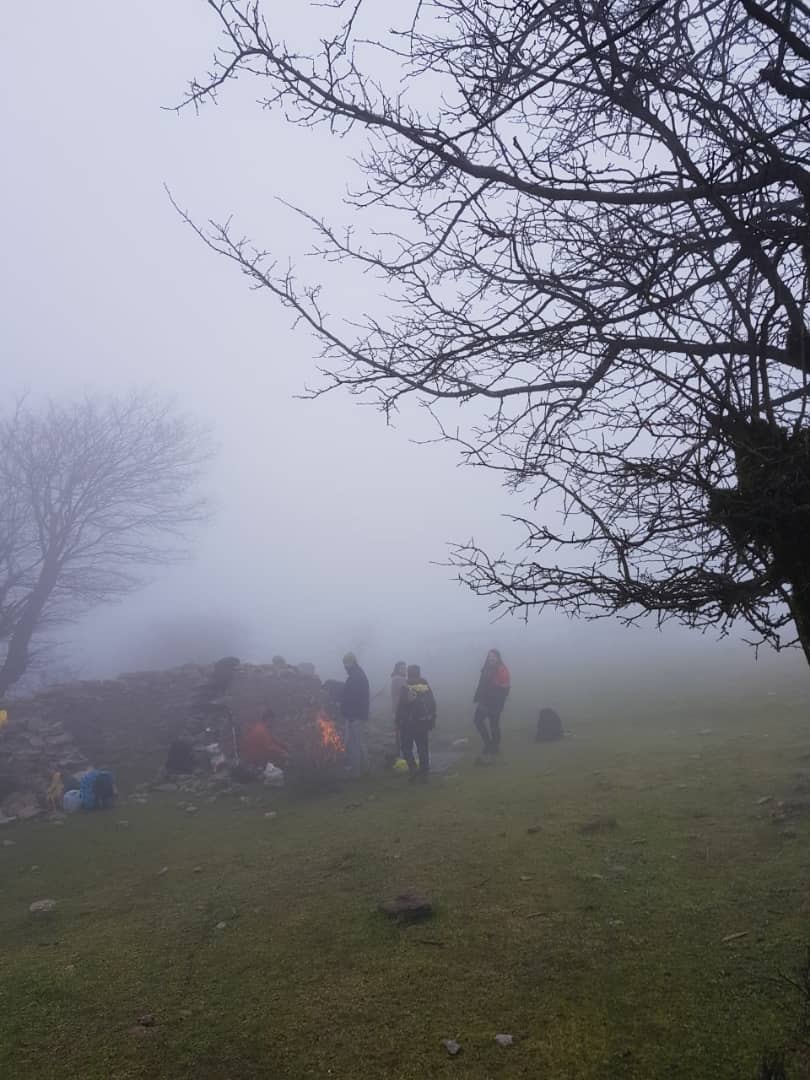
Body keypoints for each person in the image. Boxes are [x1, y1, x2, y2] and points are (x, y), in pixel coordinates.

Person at [396, 664, 436, 782]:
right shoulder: (425, 687)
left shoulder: (406, 687)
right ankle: (424, 773)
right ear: (419, 673)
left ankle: (413, 769)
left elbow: (401, 706)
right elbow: (433, 704)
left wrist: (397, 721)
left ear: (408, 674)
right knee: (423, 748)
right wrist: (432, 719)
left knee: (406, 748)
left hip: (408, 724)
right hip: (423, 723)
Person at [473, 649, 511, 758]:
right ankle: (488, 744)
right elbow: (481, 683)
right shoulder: (486, 668)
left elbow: (505, 687)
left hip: (496, 702)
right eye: (489, 656)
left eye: (493, 656)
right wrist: (477, 696)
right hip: (484, 701)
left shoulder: (502, 669)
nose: (491, 658)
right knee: (477, 721)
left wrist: (499, 701)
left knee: (494, 725)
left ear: (498, 657)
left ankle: (494, 747)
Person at [341, 652, 370, 775]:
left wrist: (350, 715)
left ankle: (359, 772)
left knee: (356, 744)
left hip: (355, 716)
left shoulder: (356, 677)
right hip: (357, 715)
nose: (345, 666)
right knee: (357, 743)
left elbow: (354, 698)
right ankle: (361, 770)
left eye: (346, 663)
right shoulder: (356, 674)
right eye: (344, 663)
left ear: (352, 662)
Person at [390, 661, 408, 756]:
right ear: (397, 669)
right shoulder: (399, 679)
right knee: (401, 733)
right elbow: (405, 694)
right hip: (400, 710)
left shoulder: (397, 678)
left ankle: (400, 754)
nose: (404, 670)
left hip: (398, 710)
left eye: (405, 668)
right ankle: (402, 754)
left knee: (399, 733)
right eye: (402, 668)